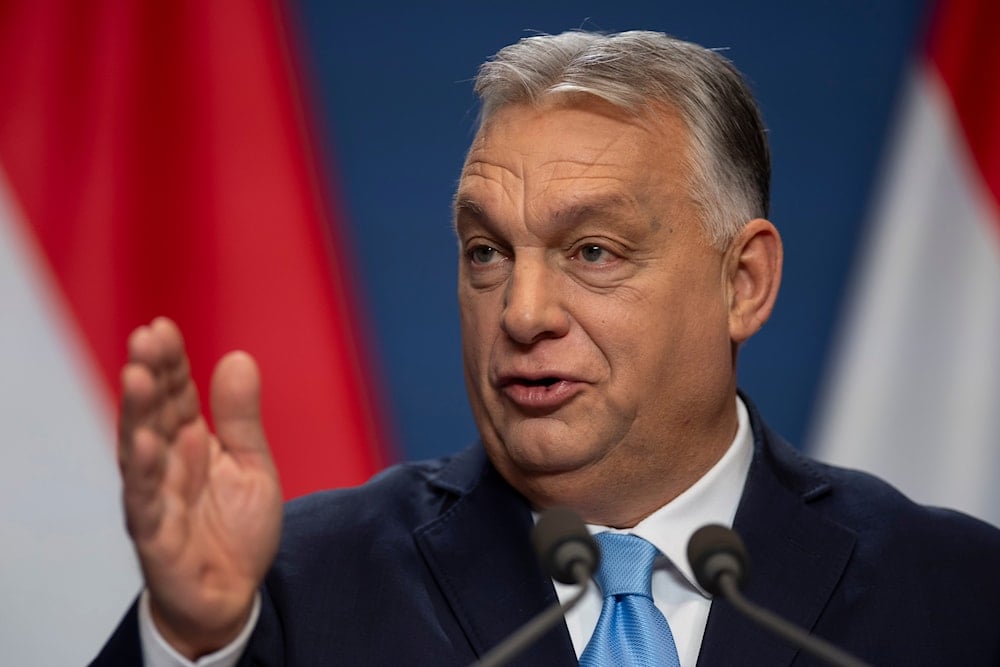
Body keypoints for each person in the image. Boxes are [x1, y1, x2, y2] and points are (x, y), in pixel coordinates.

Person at [93, 30, 1000, 666]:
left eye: (592, 251)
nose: (521, 312)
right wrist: (190, 644)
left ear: (744, 282)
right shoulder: (292, 595)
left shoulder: (960, 597)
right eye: (486, 252)